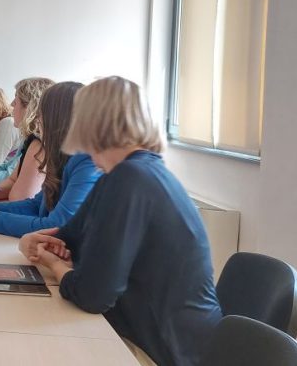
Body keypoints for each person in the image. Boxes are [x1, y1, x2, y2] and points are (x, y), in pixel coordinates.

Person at [18, 76, 221, 366]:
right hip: (160, 338)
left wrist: (56, 265)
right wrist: (35, 242)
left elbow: (92, 295)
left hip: (163, 352)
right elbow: (66, 237)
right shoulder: (130, 174)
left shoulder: (130, 178)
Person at [0, 82, 100, 237]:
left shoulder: (87, 162)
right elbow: (36, 205)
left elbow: (57, 226)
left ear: (57, 117)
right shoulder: (60, 155)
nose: (38, 119)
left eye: (42, 113)